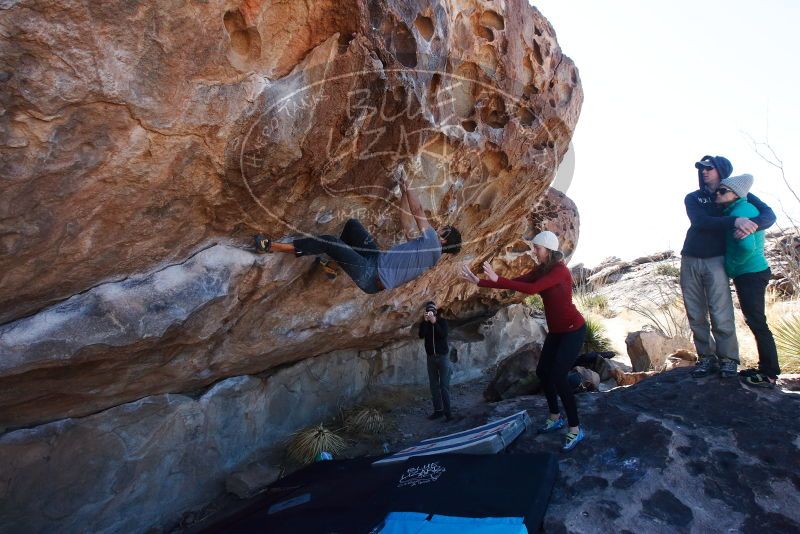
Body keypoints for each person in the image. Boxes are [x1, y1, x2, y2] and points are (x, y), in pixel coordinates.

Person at [460, 231, 587, 452]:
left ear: (548, 250)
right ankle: (555, 416)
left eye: (537, 248)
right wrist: (480, 281)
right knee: (543, 373)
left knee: (557, 376)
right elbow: (519, 282)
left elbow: (532, 288)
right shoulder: (543, 269)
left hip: (573, 330)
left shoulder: (559, 271)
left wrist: (497, 279)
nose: (534, 251)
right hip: (557, 332)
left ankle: (575, 428)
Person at [253, 166, 461, 293]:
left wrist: (407, 182)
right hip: (376, 260)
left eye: (442, 229)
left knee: (329, 241)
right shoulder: (427, 252)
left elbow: (417, 211)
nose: (438, 228)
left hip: (371, 278)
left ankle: (273, 247)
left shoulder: (432, 243)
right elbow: (407, 223)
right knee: (352, 227)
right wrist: (402, 190)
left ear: (443, 239)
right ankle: (331, 265)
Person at [681, 155, 776, 378]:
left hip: (717, 260)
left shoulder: (737, 194)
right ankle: (706, 357)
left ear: (721, 171)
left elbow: (769, 215)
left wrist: (750, 225)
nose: (704, 172)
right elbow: (700, 222)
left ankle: (729, 359)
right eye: (701, 168)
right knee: (695, 312)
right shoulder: (694, 197)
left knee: (720, 310)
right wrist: (735, 222)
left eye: (709, 168)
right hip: (690, 257)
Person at [714, 174, 781, 388]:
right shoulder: (738, 210)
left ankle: (769, 373)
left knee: (757, 322)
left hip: (749, 273)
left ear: (736, 194)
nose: (718, 193)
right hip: (751, 273)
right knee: (755, 320)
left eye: (722, 191)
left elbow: (746, 247)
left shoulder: (742, 212)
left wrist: (730, 267)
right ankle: (765, 368)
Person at [418, 301, 453, 421]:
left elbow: (443, 335)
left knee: (444, 386)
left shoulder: (442, 322)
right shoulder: (424, 323)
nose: (430, 313)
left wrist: (435, 323)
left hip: (442, 357)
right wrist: (425, 322)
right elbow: (421, 335)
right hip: (431, 358)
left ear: (436, 312)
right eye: (428, 311)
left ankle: (448, 413)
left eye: (432, 311)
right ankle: (438, 411)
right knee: (434, 386)